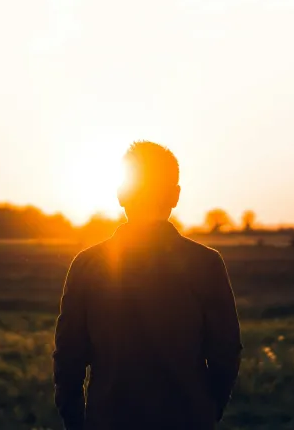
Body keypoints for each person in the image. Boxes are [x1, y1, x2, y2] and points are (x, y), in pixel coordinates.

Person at [53, 141, 242, 430]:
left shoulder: (86, 265)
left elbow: (68, 359)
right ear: (175, 195)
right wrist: (206, 411)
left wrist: (77, 423)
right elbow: (225, 353)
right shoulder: (206, 265)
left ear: (120, 193)